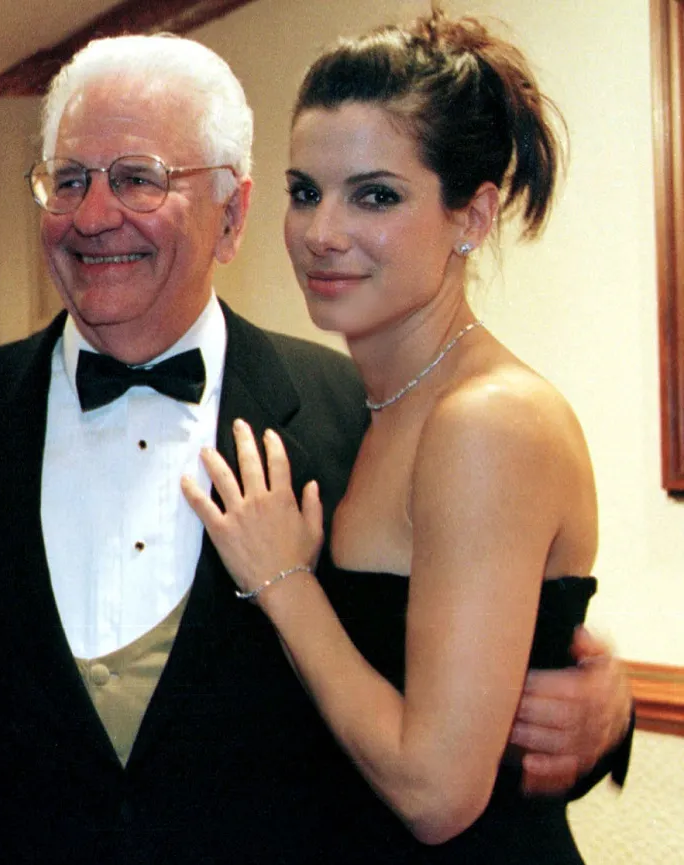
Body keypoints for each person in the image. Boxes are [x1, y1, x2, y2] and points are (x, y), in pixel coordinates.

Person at [0, 32, 632, 865]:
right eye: (69, 179)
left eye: (139, 178)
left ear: (231, 213)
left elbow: (477, 652)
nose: (96, 213)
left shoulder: (352, 418)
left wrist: (607, 708)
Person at [182, 8, 613, 862]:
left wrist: (283, 580)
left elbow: (437, 791)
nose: (322, 233)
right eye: (305, 192)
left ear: (472, 216)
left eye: (375, 194)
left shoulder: (488, 420)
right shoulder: (367, 404)